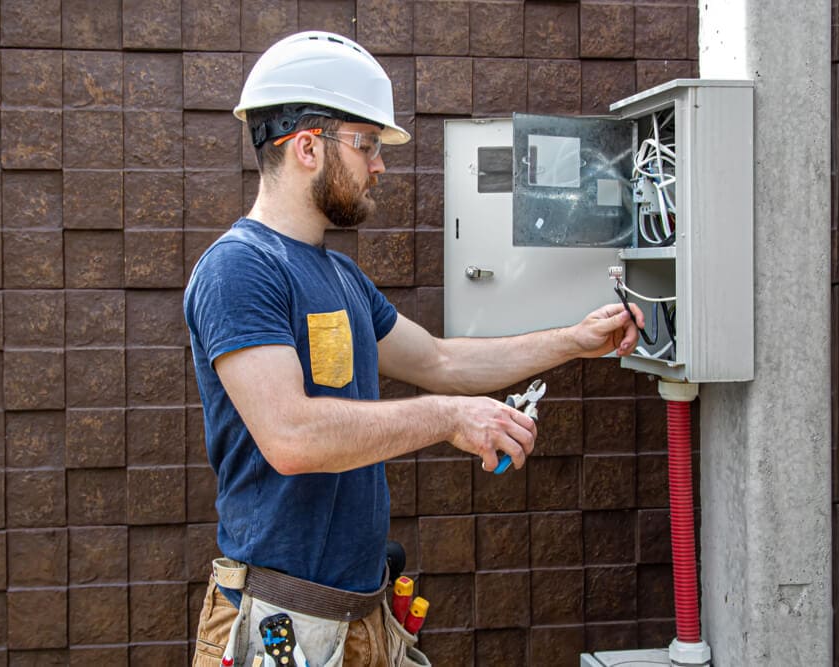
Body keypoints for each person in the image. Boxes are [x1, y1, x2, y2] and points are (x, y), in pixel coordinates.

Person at [184, 30, 644, 667]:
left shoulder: (341, 276)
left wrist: (573, 340)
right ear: (308, 147)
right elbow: (291, 436)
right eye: (367, 144)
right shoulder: (240, 268)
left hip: (361, 615)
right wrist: (450, 418)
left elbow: (438, 362)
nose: (379, 165)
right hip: (281, 625)